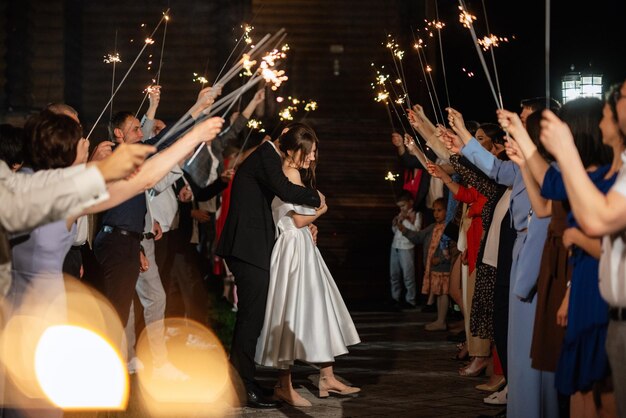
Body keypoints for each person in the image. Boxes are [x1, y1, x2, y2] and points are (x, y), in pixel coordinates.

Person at [216, 122, 322, 409]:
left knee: (253, 317)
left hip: (254, 247)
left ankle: (243, 380)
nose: (307, 158)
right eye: (304, 152)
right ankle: (240, 387)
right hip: (246, 248)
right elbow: (285, 190)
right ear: (288, 146)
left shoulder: (268, 157)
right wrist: (317, 200)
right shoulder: (265, 155)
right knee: (251, 318)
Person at [254, 125, 360, 407]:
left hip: (301, 245)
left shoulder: (293, 173)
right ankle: (284, 384)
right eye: (309, 152)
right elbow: (296, 219)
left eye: (314, 152)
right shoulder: (286, 174)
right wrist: (321, 209)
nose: (313, 158)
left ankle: (327, 375)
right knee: (292, 311)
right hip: (291, 248)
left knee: (318, 307)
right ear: (292, 150)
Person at [400, 197, 451, 330]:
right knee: (438, 293)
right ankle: (440, 320)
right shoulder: (433, 227)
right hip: (435, 269)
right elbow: (418, 237)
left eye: (439, 210)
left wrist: (441, 259)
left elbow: (453, 248)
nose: (436, 213)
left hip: (444, 268)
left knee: (443, 293)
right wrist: (404, 230)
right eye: (434, 210)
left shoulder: (449, 228)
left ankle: (442, 320)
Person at [389, 191, 422, 309]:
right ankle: (395, 298)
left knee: (408, 276)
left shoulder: (417, 215)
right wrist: (396, 223)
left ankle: (411, 300)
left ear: (410, 203)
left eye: (403, 205)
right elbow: (395, 232)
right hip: (395, 246)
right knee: (394, 275)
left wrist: (405, 220)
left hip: (407, 247)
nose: (401, 208)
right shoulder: (400, 214)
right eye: (400, 206)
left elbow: (416, 231)